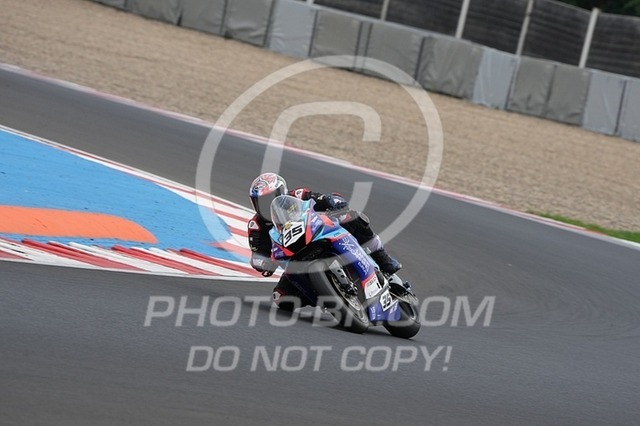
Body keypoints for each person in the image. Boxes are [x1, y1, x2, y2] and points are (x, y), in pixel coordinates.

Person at [247, 172, 402, 310]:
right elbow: (258, 253)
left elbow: (322, 199)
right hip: (295, 258)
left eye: (269, 199)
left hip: (319, 233)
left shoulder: (298, 195)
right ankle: (326, 295)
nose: (266, 205)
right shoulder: (257, 226)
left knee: (352, 217)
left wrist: (333, 201)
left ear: (281, 192)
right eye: (260, 202)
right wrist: (263, 262)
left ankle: (383, 259)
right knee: (281, 297)